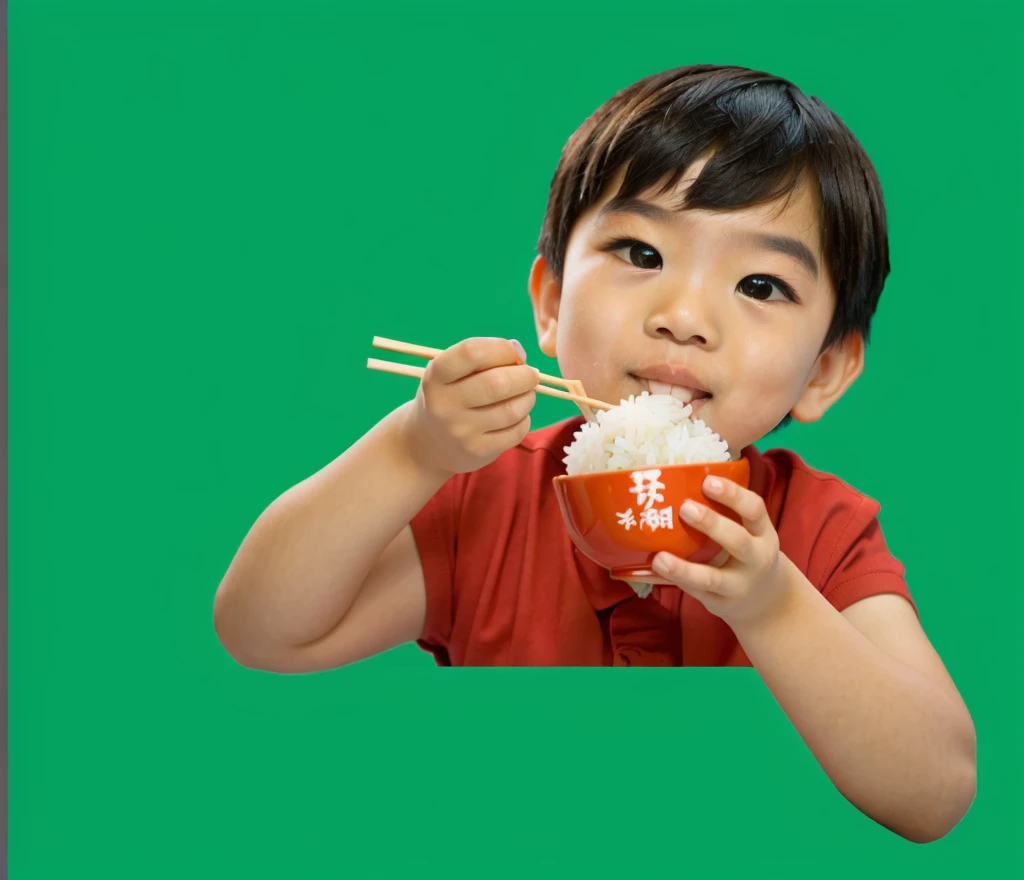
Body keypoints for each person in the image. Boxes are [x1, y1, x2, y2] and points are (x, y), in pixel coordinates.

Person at [213, 64, 976, 841]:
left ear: (824, 371)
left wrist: (771, 601)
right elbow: (265, 629)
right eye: (642, 254)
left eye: (759, 283)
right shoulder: (490, 499)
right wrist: (413, 450)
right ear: (549, 303)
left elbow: (936, 792)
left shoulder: (820, 529)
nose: (684, 317)